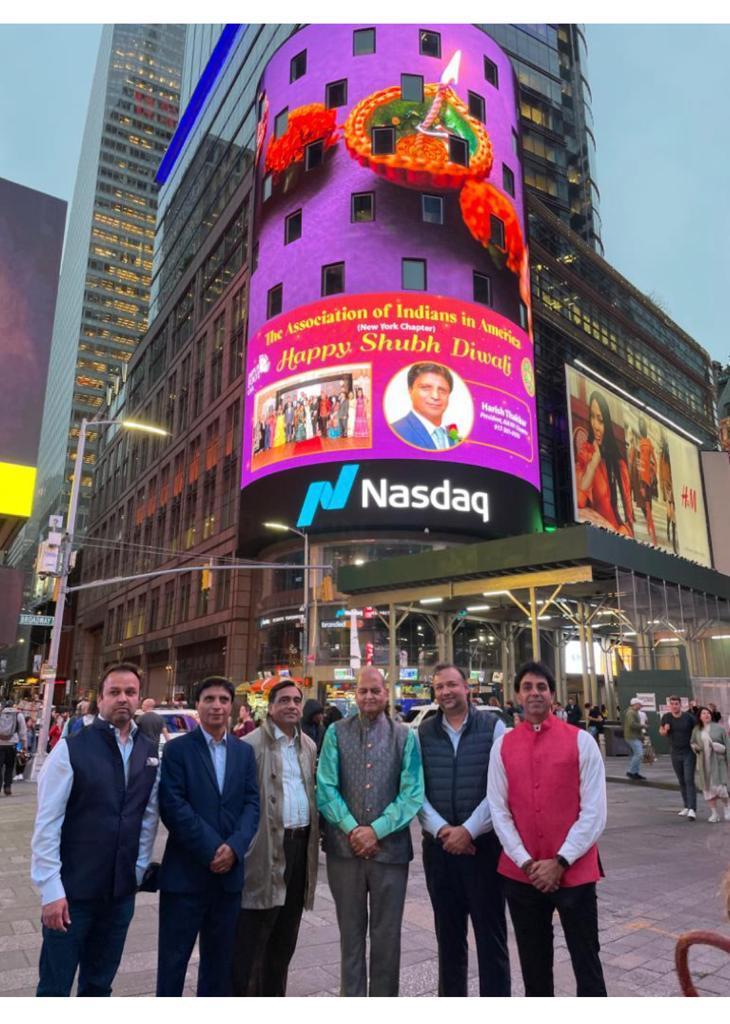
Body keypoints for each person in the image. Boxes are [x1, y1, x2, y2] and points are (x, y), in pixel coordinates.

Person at [31, 664, 159, 996]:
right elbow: (47, 823)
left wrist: (139, 869)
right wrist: (50, 890)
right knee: (54, 989)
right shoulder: (72, 748)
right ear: (100, 699)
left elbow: (146, 817)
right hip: (72, 895)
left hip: (119, 894)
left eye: (130, 693)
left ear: (139, 699)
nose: (123, 699)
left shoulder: (147, 749)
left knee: (99, 986)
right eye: (114, 692)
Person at [488, 661, 607, 997]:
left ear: (553, 696)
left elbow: (594, 812)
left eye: (541, 687)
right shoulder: (503, 746)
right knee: (534, 966)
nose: (534, 693)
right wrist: (526, 862)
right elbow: (499, 810)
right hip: (521, 875)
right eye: (527, 687)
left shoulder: (581, 742)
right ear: (516, 696)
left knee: (587, 963)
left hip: (575, 873)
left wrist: (561, 860)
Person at [317, 666, 424, 996]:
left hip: (390, 854)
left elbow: (412, 793)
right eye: (363, 691)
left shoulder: (405, 737)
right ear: (355, 692)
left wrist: (375, 831)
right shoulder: (336, 733)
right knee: (350, 937)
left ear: (386, 692)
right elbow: (325, 787)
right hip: (343, 853)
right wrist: (353, 829)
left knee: (387, 937)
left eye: (375, 690)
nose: (369, 697)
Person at [156, 676, 260, 997]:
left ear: (232, 707)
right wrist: (213, 847)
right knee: (173, 963)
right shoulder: (177, 750)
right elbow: (172, 805)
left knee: (218, 967)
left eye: (223, 700)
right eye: (209, 699)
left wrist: (235, 847)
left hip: (228, 880)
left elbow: (252, 804)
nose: (216, 705)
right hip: (185, 877)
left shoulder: (243, 753)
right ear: (197, 705)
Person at [418, 664, 510, 996]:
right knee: (449, 938)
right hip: (440, 852)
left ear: (466, 687)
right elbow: (417, 790)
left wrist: (469, 831)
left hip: (484, 850)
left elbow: (499, 789)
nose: (445, 692)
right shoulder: (424, 733)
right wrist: (444, 831)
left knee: (491, 937)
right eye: (439, 687)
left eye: (452, 685)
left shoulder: (494, 727)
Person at [232, 680, 318, 996]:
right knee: (254, 938)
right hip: (264, 850)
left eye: (297, 700)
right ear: (270, 707)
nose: (292, 706)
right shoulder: (249, 745)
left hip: (300, 846)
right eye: (284, 700)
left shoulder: (308, 746)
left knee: (285, 938)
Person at [575, 390, 633, 536]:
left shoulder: (619, 466)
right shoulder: (586, 453)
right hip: (596, 538)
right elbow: (579, 502)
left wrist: (621, 533)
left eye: (600, 420)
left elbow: (628, 517)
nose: (595, 425)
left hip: (619, 538)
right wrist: (594, 462)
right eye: (592, 417)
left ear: (607, 423)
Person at [390, 363, 458, 450]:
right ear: (410, 391)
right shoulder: (395, 432)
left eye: (442, 390)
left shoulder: (453, 436)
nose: (435, 396)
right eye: (426, 388)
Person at [660, 696, 698, 820]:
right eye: (672, 704)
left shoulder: (689, 718)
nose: (674, 706)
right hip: (675, 753)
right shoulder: (666, 717)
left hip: (688, 752)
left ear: (680, 705)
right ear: (669, 706)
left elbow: (697, 731)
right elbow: (661, 731)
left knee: (689, 779)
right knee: (681, 780)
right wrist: (664, 731)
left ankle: (692, 808)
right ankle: (686, 806)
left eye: (676, 704)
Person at [690, 707, 730, 823]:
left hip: (717, 762)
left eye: (708, 713)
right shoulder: (697, 730)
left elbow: (727, 744)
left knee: (720, 788)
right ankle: (714, 814)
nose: (706, 715)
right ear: (700, 716)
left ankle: (727, 808)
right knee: (707, 789)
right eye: (703, 713)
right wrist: (695, 748)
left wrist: (725, 754)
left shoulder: (719, 729)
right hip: (703, 763)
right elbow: (692, 742)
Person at [637, 416, 658, 545]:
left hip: (644, 478)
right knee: (647, 504)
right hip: (647, 478)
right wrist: (652, 473)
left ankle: (651, 531)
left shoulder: (642, 443)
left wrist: (648, 474)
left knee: (647, 505)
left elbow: (642, 463)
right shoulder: (648, 443)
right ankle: (650, 530)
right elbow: (653, 463)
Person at [0, 701, 27, 796]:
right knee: (10, 767)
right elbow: (23, 732)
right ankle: (7, 786)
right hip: (12, 744)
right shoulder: (18, 715)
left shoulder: (0, 712)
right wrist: (24, 745)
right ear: (13, 706)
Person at [623, 698, 646, 781]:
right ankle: (631, 771)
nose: (641, 706)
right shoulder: (631, 713)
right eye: (640, 705)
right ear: (635, 704)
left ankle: (635, 772)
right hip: (632, 736)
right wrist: (642, 726)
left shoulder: (632, 712)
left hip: (633, 736)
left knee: (638, 754)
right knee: (639, 754)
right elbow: (632, 724)